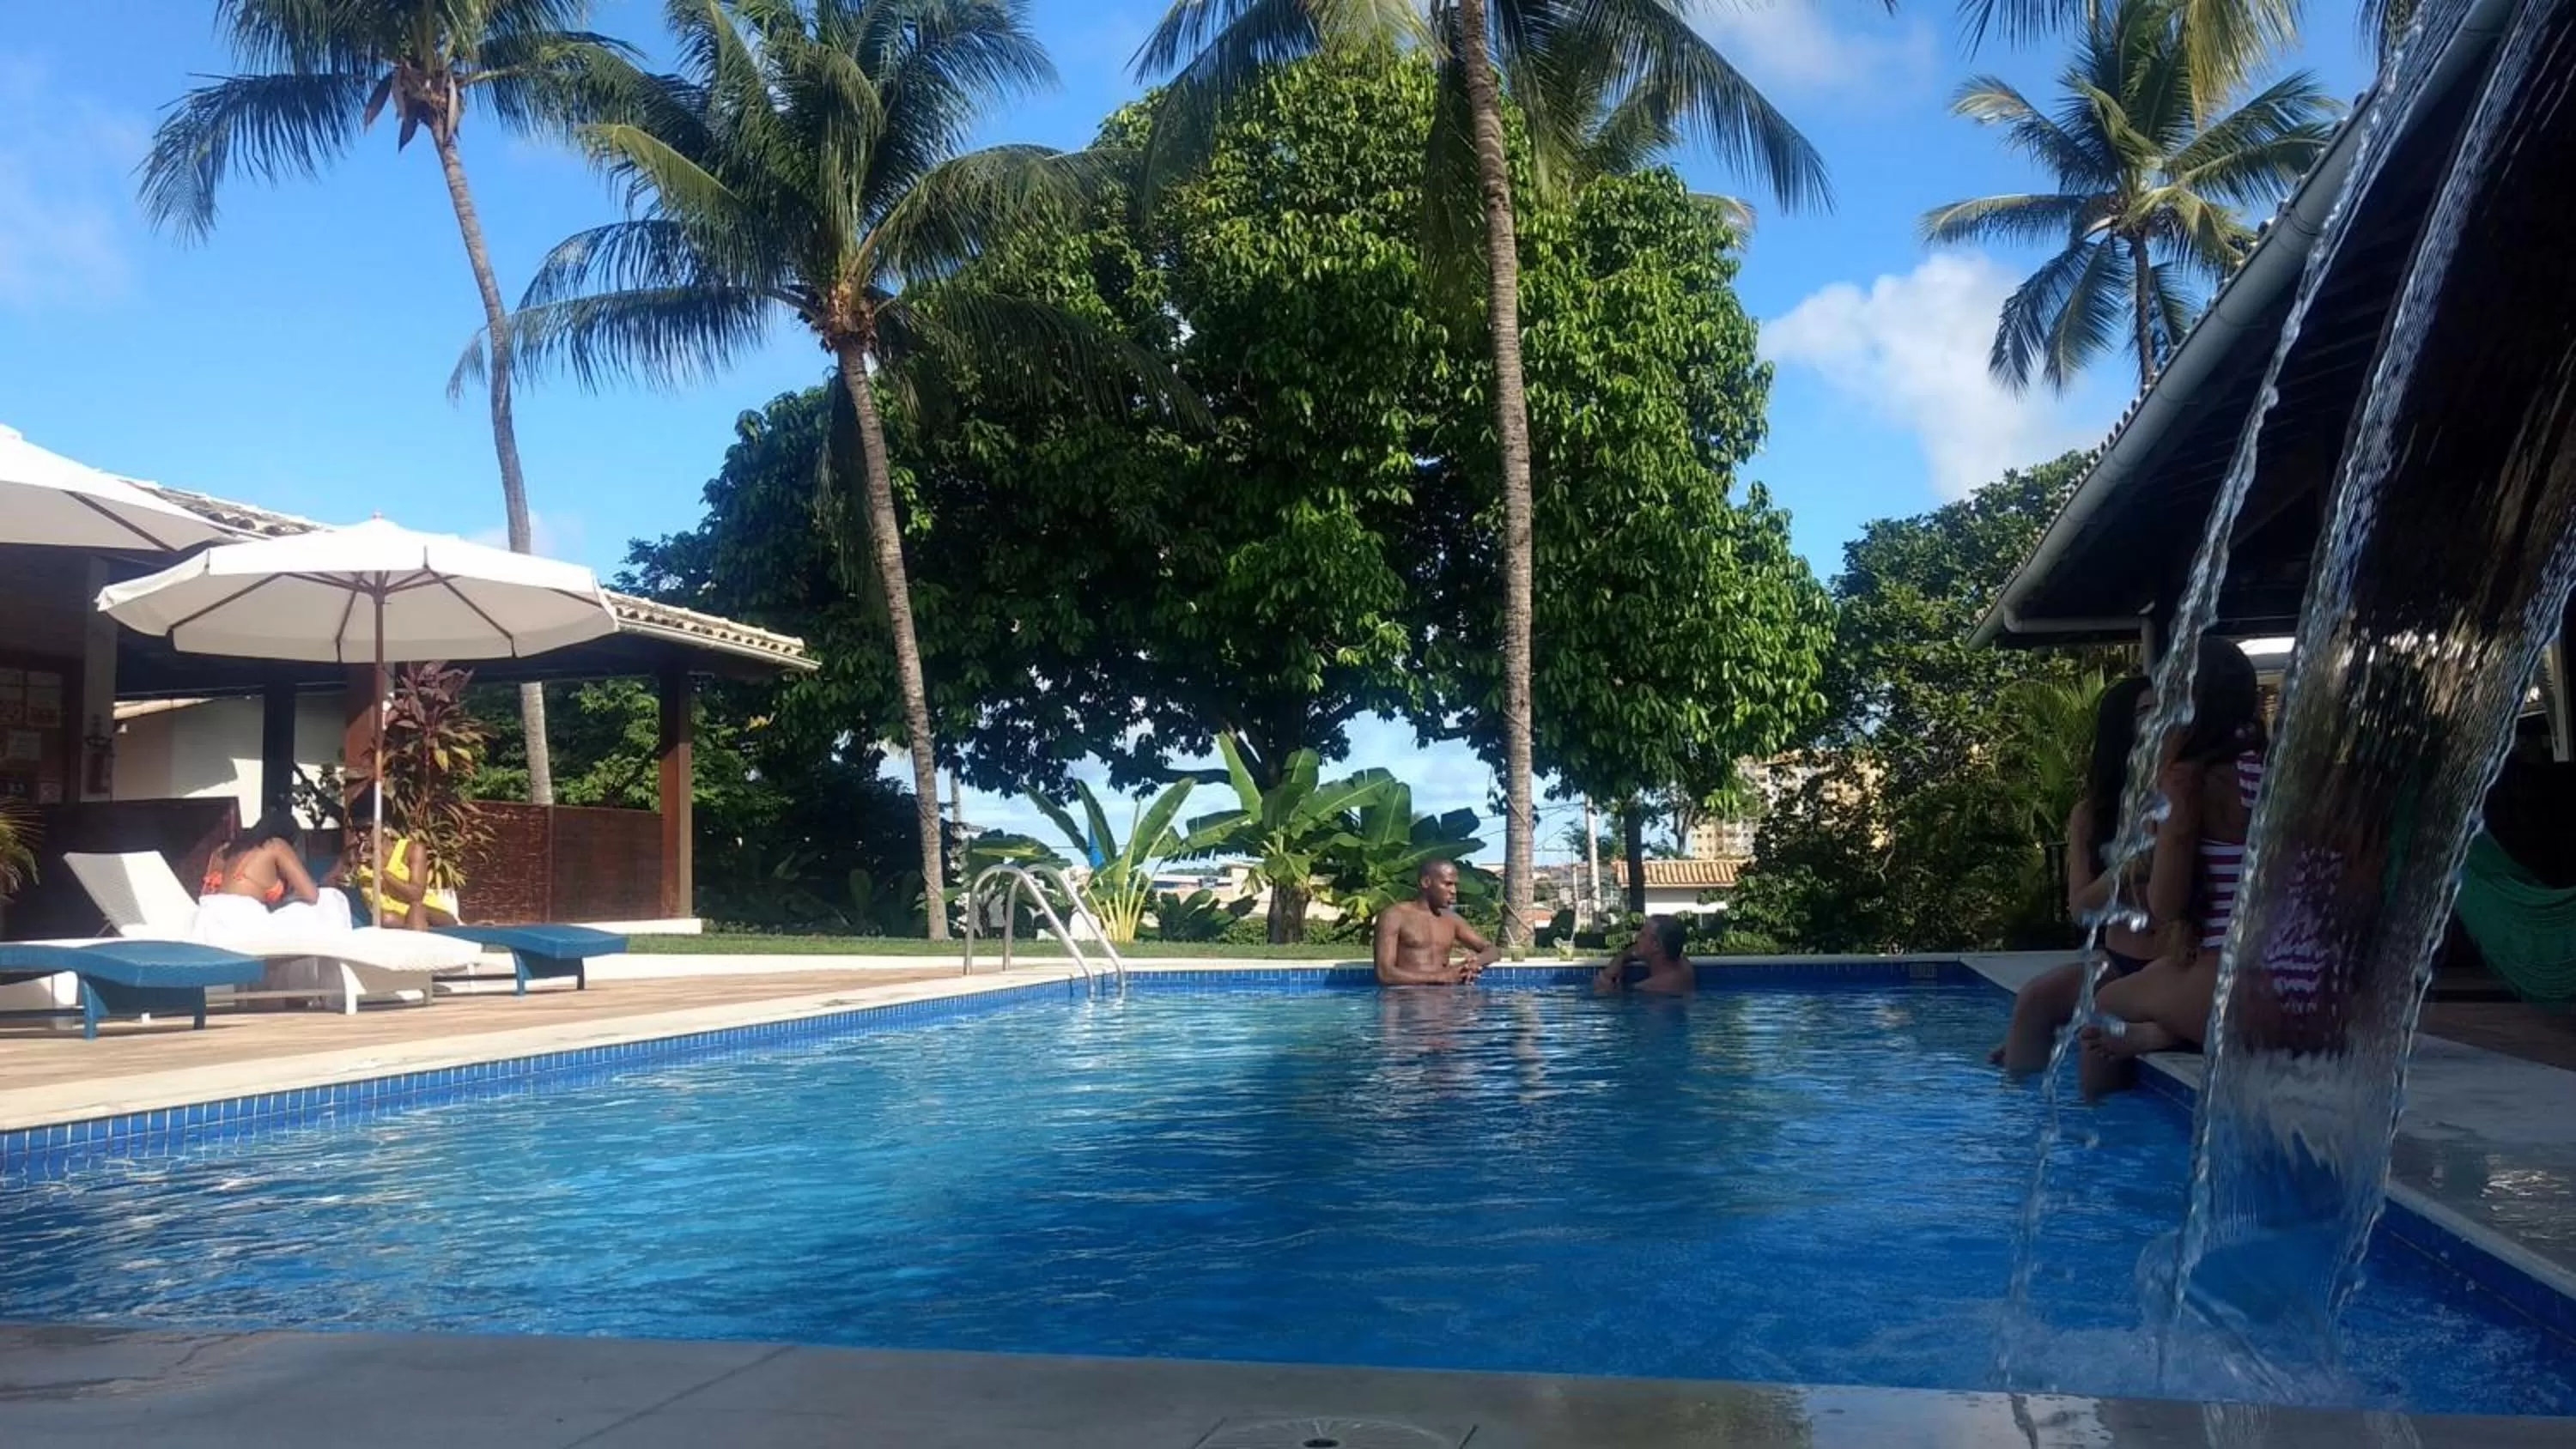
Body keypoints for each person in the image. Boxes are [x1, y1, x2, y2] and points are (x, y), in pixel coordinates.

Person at [2082, 637, 2269, 1089]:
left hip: (2233, 983)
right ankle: (2169, 1033)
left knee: (2104, 1005)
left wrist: (2151, 837)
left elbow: (2165, 903)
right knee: (2161, 977)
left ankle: (2103, 1136)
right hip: (2310, 991)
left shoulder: (2187, 782)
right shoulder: (2275, 772)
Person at [1990, 676, 2172, 1074]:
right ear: (2120, 729)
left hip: (2177, 963)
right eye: (2146, 712)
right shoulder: (2092, 815)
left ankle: (2167, 1031)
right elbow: (2080, 909)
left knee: (2099, 1028)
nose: (2161, 719)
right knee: (2036, 1000)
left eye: (2165, 708)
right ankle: (2019, 1117)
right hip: (2120, 960)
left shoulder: (2191, 796)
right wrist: (2132, 868)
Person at [192, 810, 351, 939]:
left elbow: (207, 891)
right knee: (330, 899)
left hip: (205, 921)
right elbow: (312, 895)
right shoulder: (275, 845)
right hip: (241, 922)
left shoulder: (225, 850)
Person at [1373, 860, 1498, 985]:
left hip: (1443, 997)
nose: (1454, 891)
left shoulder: (1452, 919)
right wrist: (1440, 977)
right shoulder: (1395, 916)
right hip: (1409, 997)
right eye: (1448, 884)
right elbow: (1385, 974)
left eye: (1455, 885)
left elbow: (1493, 951)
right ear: (1426, 882)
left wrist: (1473, 964)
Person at [1595, 914, 1695, 995]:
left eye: (1642, 935)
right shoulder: (1684, 965)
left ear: (1655, 945)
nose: (1636, 937)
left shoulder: (1651, 988)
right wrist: (1620, 958)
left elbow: (1608, 996)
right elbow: (1634, 950)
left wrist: (1605, 983)